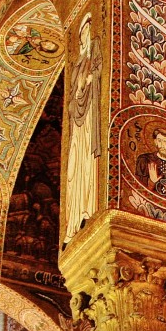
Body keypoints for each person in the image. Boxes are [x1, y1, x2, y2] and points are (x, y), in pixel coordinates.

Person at [64, 13, 102, 242]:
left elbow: (97, 72)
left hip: (89, 118)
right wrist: (79, 91)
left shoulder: (95, 54)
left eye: (89, 30)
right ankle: (73, 224)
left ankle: (89, 210)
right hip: (78, 119)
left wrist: (90, 81)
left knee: (88, 166)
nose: (86, 35)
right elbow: (73, 93)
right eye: (83, 32)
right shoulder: (78, 64)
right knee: (74, 169)